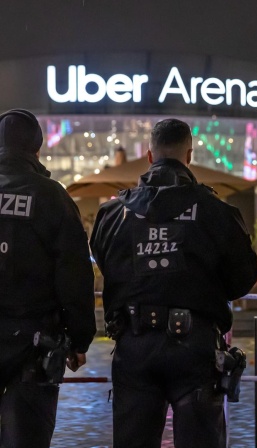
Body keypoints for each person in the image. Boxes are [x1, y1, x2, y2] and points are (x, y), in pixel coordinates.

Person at [90, 118, 257, 448]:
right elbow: (243, 279)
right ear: (189, 155)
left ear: (150, 156)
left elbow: (104, 263)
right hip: (195, 348)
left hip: (133, 345)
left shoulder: (112, 215)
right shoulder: (216, 212)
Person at [0, 109, 97, 448]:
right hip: (33, 344)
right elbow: (74, 275)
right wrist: (80, 339)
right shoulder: (51, 197)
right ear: (37, 150)